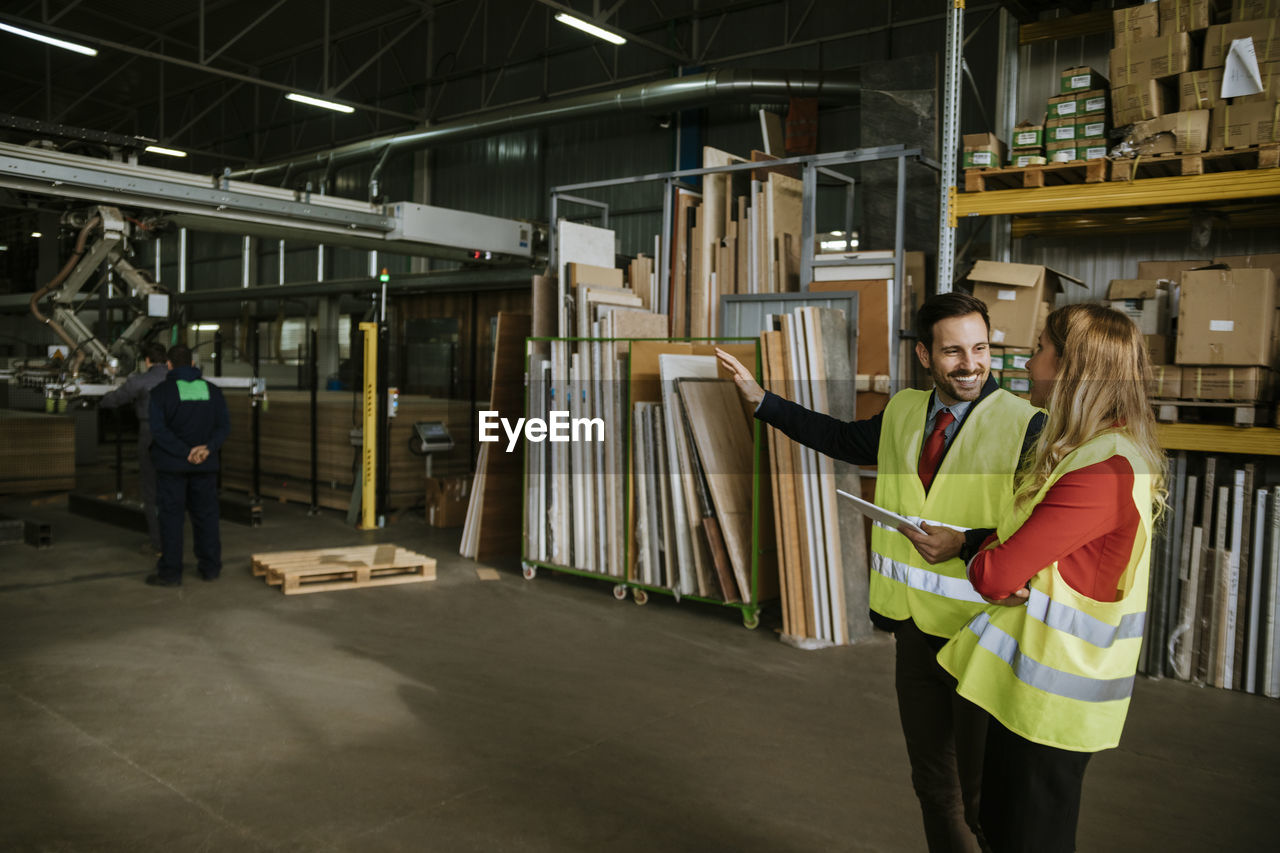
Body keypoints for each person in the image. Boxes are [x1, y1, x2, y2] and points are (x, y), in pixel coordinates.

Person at [716, 292, 1045, 853]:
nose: (970, 364)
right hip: (914, 634)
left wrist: (965, 544)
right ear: (924, 355)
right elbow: (841, 439)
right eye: (952, 352)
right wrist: (761, 401)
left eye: (981, 348)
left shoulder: (1027, 425)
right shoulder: (903, 412)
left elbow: (1041, 534)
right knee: (933, 787)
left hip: (984, 634)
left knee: (986, 800)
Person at [935, 304, 1165, 853]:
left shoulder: (1100, 470)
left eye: (1039, 349)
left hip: (1051, 702)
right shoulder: (1092, 452)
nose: (1026, 360)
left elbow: (997, 575)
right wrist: (992, 551)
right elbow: (1025, 547)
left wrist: (988, 560)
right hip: (1031, 692)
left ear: (1071, 369)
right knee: (1000, 827)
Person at [146, 344, 230, 587]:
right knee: (207, 517)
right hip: (205, 466)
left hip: (173, 468)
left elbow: (159, 431)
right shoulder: (213, 391)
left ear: (169, 365)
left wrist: (185, 452)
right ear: (193, 364)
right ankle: (210, 568)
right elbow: (224, 426)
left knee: (171, 520)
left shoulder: (161, 392)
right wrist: (206, 449)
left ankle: (171, 573)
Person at [99, 341, 169, 556]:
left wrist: (100, 400)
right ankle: (174, 538)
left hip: (150, 433)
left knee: (150, 488)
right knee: (172, 487)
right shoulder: (177, 379)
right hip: (177, 435)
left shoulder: (140, 380)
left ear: (146, 361)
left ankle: (158, 544)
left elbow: (114, 400)